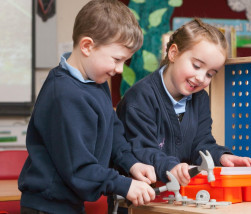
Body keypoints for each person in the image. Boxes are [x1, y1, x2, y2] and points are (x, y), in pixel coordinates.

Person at [18, 1, 156, 213]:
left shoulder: (95, 82)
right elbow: (78, 167)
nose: (119, 69)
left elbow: (112, 130)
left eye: (124, 62)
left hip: (69, 203)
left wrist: (131, 163)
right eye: (117, 59)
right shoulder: (64, 95)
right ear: (87, 46)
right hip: (47, 207)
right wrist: (122, 184)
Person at [116, 18, 251, 187]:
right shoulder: (140, 98)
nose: (201, 78)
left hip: (176, 196)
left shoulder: (200, 99)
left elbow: (201, 145)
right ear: (173, 53)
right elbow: (142, 150)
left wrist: (221, 157)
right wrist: (172, 167)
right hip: (136, 199)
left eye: (210, 74)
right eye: (197, 66)